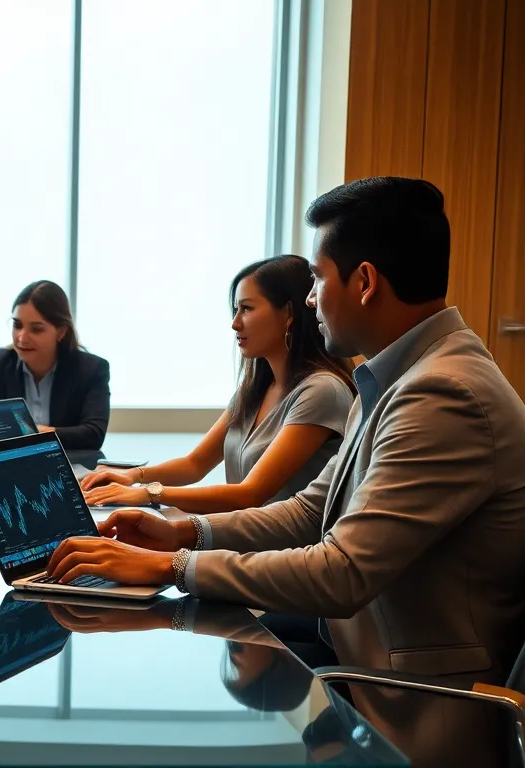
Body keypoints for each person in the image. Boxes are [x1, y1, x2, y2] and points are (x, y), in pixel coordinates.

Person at [44, 177, 525, 766]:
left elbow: (341, 572)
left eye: (319, 279)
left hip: (418, 710)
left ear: (366, 282)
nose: (313, 298)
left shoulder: (441, 394)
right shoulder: (398, 379)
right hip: (360, 664)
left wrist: (172, 565)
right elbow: (310, 510)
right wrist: (184, 533)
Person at [81, 256, 355, 512]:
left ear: (288, 313)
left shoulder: (321, 391)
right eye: (236, 310)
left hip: (281, 555)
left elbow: (250, 493)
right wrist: (130, 476)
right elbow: (194, 464)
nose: (235, 324)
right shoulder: (254, 390)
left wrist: (148, 493)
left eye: (246, 309)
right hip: (242, 541)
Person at [0, 280, 111, 449]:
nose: (21, 338)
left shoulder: (91, 369)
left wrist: (33, 432)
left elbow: (93, 434)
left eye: (36, 329)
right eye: (17, 325)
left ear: (61, 332)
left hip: (69, 466)